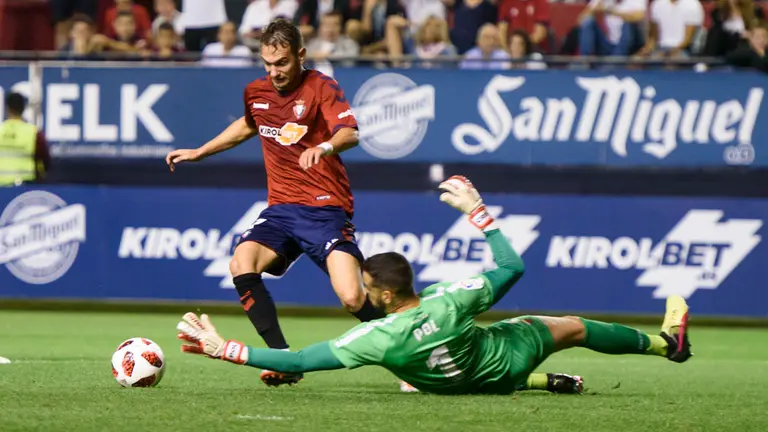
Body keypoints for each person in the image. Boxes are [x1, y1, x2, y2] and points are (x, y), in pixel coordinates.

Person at [176, 176, 693, 395]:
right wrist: (478, 213)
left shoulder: (375, 337)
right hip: (499, 364)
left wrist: (226, 349)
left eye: (363, 282)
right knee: (570, 327)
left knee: (415, 372)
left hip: (438, 386)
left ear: (380, 296)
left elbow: (301, 361)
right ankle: (664, 344)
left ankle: (538, 383)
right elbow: (512, 268)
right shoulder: (452, 299)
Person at [165, 18, 388, 388]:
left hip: (325, 208)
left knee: (351, 297)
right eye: (267, 64)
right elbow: (249, 124)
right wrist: (200, 151)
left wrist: (324, 146)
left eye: (281, 63)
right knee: (241, 262)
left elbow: (350, 132)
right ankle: (283, 358)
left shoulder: (322, 87)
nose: (274, 72)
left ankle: (413, 352)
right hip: (282, 209)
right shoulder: (257, 92)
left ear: (300, 55)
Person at [0, 93, 51, 187]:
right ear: (24, 109)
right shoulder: (34, 133)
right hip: (24, 187)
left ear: (7, 108)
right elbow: (45, 161)